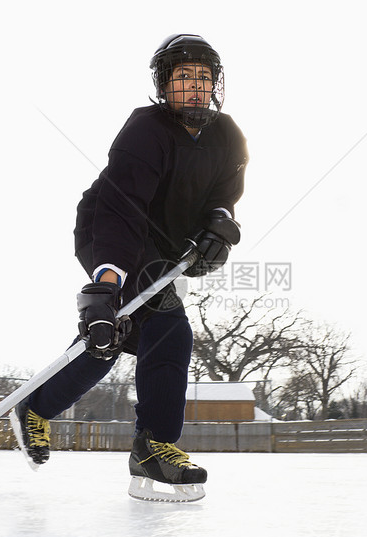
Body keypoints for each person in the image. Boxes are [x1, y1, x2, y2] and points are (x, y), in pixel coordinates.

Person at [13, 34, 247, 501]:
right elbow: (121, 208)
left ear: (217, 84)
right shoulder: (145, 129)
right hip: (110, 229)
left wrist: (219, 225)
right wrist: (105, 285)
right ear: (164, 85)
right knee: (168, 327)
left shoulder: (229, 136)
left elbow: (223, 196)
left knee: (112, 340)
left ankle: (36, 408)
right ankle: (153, 446)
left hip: (161, 248)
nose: (195, 87)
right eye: (184, 77)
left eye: (204, 77)